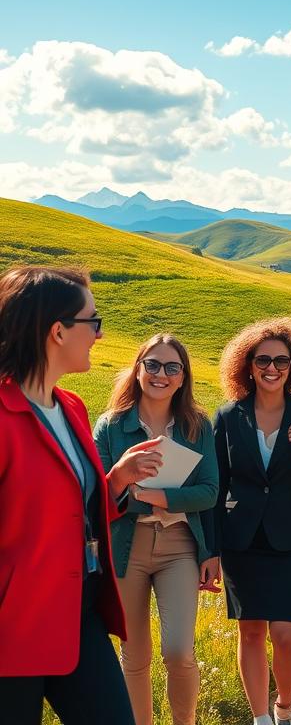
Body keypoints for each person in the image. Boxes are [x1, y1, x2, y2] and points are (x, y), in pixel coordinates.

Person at [0, 266, 150, 724]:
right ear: (58, 331)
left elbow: (67, 512)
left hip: (78, 611)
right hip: (14, 624)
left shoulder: (72, 407)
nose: (100, 335)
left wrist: (116, 483)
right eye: (94, 321)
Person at [93, 334, 219, 725]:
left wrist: (155, 496)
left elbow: (210, 491)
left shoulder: (197, 426)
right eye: (152, 364)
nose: (160, 374)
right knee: (134, 656)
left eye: (171, 367)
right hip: (126, 546)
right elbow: (99, 493)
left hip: (178, 546)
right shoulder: (111, 425)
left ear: (182, 378)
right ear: (138, 369)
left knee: (179, 650)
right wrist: (123, 485)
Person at [212, 318, 291, 725]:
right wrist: (210, 551)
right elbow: (216, 485)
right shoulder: (226, 417)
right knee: (251, 632)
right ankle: (261, 718)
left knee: (286, 634)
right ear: (248, 365)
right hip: (240, 541)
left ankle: (285, 706)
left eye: (281, 360)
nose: (272, 367)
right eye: (263, 359)